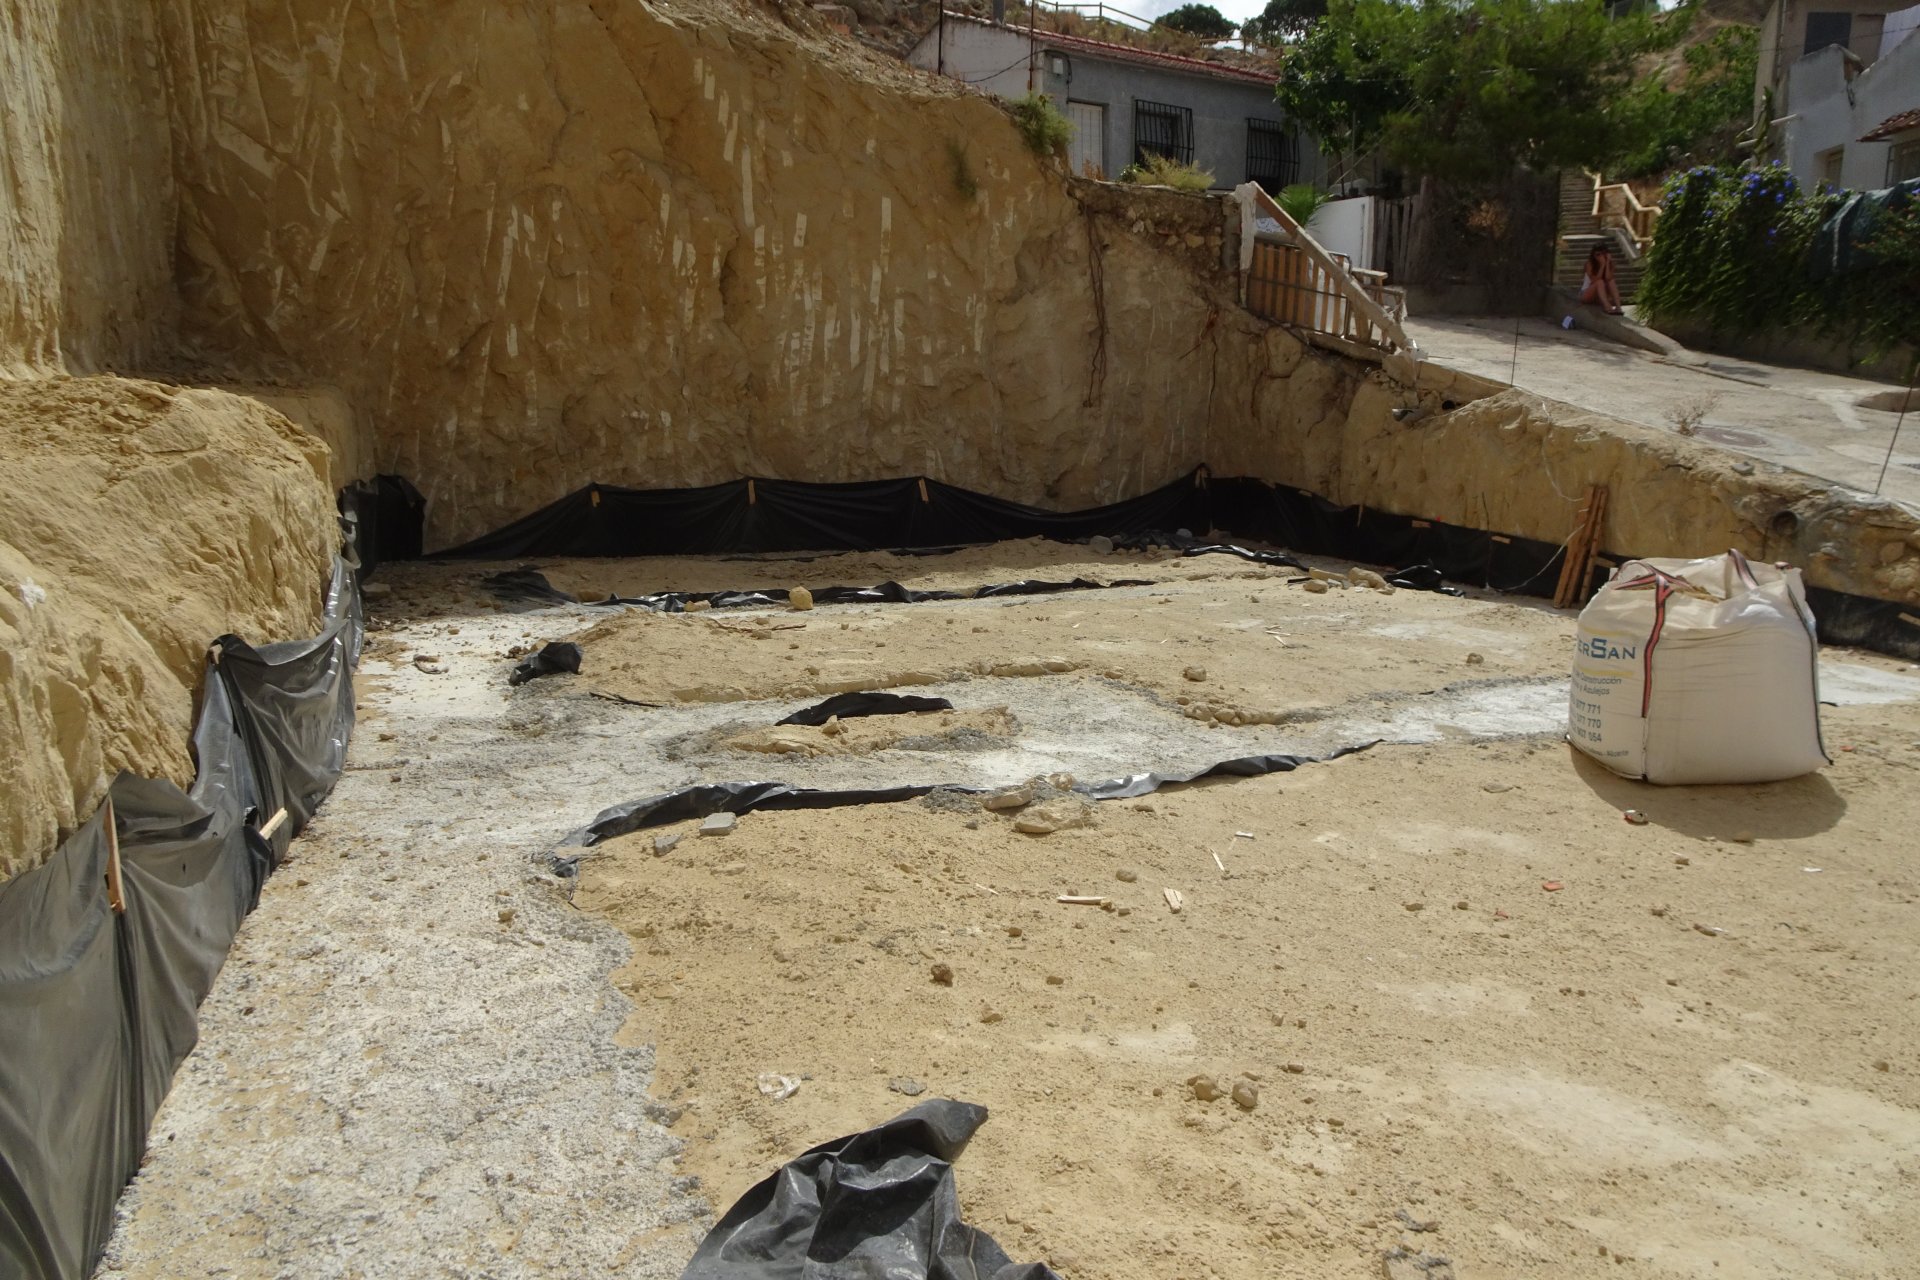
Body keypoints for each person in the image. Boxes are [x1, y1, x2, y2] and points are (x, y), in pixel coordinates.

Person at [1580, 243, 1624, 315]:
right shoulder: (1589, 264)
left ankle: (1618, 307)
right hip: (1587, 293)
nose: (1599, 257)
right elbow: (1595, 280)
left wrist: (1607, 263)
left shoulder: (1611, 264)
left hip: (1601, 296)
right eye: (1597, 255)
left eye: (1602, 254)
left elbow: (1608, 278)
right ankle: (1607, 307)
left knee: (1611, 281)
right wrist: (1602, 265)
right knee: (1599, 282)